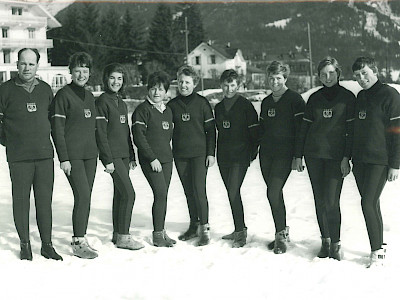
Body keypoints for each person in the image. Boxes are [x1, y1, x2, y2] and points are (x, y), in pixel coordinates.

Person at [0, 48, 62, 261]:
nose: (27, 68)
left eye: (31, 64)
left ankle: (47, 245)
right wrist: (9, 141)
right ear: (17, 65)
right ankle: (25, 244)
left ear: (38, 65)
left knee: (44, 202)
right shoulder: (5, 90)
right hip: (19, 158)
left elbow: (53, 122)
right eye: (23, 63)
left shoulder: (45, 90)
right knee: (21, 201)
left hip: (44, 156)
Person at [294, 57, 355, 260]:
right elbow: (303, 128)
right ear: (318, 76)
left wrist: (347, 157)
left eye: (331, 73)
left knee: (331, 201)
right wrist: (298, 155)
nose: (327, 77)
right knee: (320, 200)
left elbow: (351, 131)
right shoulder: (314, 98)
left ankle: (336, 243)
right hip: (314, 156)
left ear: (338, 73)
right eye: (323, 74)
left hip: (336, 158)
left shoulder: (347, 98)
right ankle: (325, 240)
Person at [351, 56, 400, 267]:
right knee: (372, 203)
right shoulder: (360, 96)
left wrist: (395, 163)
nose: (362, 79)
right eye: (357, 76)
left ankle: (376, 252)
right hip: (360, 161)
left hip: (380, 160)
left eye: (365, 73)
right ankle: (380, 243)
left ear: (375, 71)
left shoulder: (390, 95)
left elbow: (397, 132)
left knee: (367, 202)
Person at [50, 52, 98, 259]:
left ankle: (82, 237)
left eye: (85, 70)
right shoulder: (63, 95)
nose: (81, 74)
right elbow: (57, 129)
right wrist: (64, 158)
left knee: (85, 198)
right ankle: (78, 241)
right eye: (78, 70)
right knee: (83, 195)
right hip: (73, 156)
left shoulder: (89, 96)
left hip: (90, 156)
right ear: (71, 72)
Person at [95, 63, 144, 250]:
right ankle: (124, 236)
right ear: (106, 79)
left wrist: (131, 155)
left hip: (124, 156)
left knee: (120, 194)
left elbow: (126, 132)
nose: (116, 82)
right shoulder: (102, 102)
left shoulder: (121, 103)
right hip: (113, 157)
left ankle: (117, 233)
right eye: (112, 78)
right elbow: (100, 133)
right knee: (129, 194)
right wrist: (107, 159)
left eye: (120, 78)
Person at [167, 65, 216, 246]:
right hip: (180, 155)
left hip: (199, 154)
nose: (183, 85)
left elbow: (211, 130)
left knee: (199, 190)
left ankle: (204, 228)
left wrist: (211, 153)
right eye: (180, 82)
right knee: (188, 192)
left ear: (194, 83)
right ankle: (193, 225)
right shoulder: (172, 105)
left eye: (187, 82)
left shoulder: (202, 103)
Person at [259, 61, 305, 254]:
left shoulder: (295, 100)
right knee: (274, 194)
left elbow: (301, 131)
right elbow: (261, 130)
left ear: (285, 78)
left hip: (285, 156)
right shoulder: (266, 102)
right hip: (267, 155)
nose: (275, 82)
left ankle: (280, 236)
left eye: (278, 78)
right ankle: (282, 231)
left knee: (273, 192)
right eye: (271, 78)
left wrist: (298, 156)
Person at [214, 69, 259, 248]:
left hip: (240, 156)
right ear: (221, 85)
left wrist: (251, 153)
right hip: (224, 155)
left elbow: (255, 132)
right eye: (226, 85)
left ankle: (241, 233)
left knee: (233, 191)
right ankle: (237, 228)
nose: (229, 88)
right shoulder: (218, 108)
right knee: (232, 193)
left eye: (232, 85)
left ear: (238, 86)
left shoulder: (245, 105)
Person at [132, 71, 176, 247]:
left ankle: (162, 231)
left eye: (160, 89)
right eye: (153, 89)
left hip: (167, 160)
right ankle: (157, 235)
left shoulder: (168, 111)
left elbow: (168, 135)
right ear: (148, 90)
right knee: (160, 193)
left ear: (166, 92)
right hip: (151, 161)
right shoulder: (142, 111)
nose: (156, 93)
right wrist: (152, 158)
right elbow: (139, 138)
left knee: (163, 197)